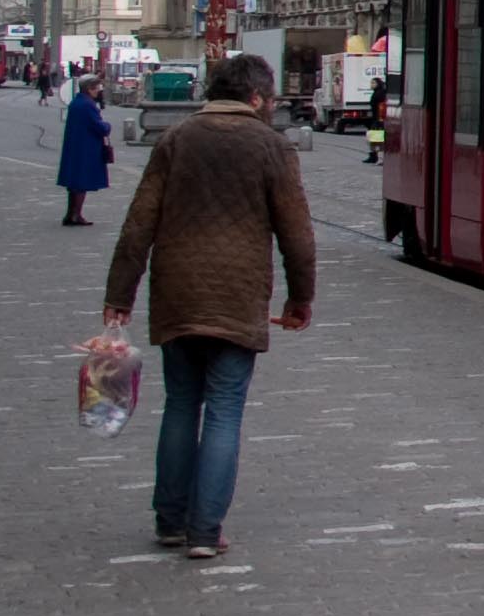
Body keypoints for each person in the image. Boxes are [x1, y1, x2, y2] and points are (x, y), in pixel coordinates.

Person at [98, 54, 317, 562]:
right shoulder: (271, 146)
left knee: (180, 406)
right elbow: (298, 236)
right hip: (237, 298)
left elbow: (138, 223)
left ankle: (171, 521)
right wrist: (300, 298)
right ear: (258, 99)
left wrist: (119, 296)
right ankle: (204, 531)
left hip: (177, 293)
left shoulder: (175, 139)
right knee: (223, 412)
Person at [58, 74, 114, 227]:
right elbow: (99, 126)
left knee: (74, 182)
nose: (98, 91)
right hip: (86, 148)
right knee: (82, 181)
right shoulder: (88, 105)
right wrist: (107, 126)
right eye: (97, 88)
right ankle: (76, 215)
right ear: (89, 89)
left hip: (75, 146)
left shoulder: (76, 102)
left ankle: (71, 214)